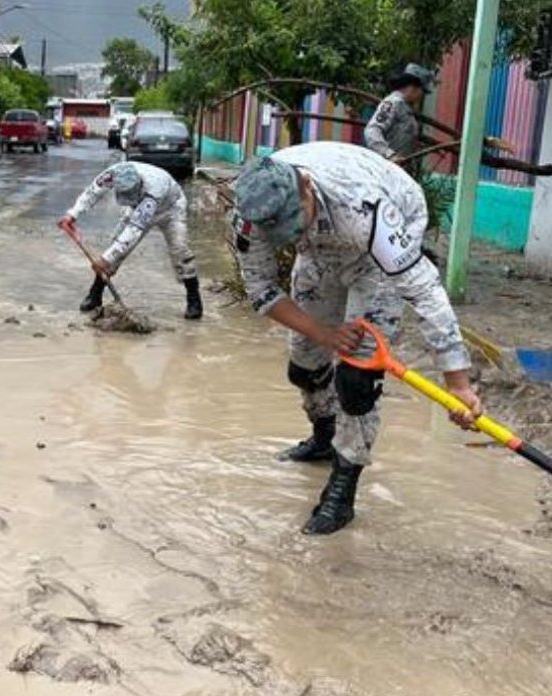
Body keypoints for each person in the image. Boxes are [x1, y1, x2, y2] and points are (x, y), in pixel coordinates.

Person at [231, 141, 481, 535]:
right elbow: (261, 291)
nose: (288, 232)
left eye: (296, 221)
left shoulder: (365, 209)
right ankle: (323, 438)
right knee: (304, 366)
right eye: (281, 231)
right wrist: (325, 334)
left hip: (378, 252)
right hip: (320, 255)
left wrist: (459, 384)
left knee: (356, 381)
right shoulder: (251, 213)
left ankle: (343, 488)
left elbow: (425, 291)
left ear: (307, 190)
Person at [57, 161, 202, 320]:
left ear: (139, 185)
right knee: (115, 244)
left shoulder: (154, 189)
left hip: (171, 208)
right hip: (136, 207)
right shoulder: (113, 173)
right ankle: (95, 294)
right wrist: (73, 214)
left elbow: (134, 230)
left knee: (180, 250)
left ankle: (194, 299)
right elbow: (92, 192)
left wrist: (105, 260)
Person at [363, 63, 434, 163]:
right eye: (421, 92)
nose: (420, 97)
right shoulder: (393, 103)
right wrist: (389, 154)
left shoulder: (406, 108)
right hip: (385, 167)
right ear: (412, 87)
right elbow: (372, 131)